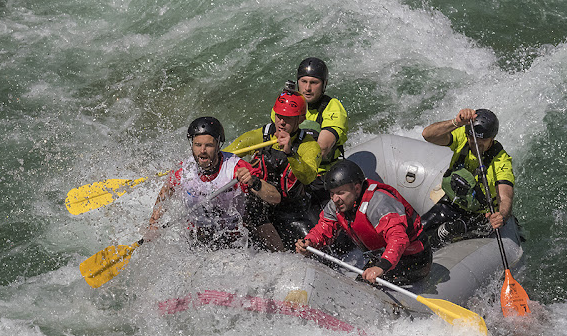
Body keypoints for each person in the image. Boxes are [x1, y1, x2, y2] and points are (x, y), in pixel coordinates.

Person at [146, 116, 280, 250]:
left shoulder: (235, 167)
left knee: (257, 213)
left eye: (208, 145)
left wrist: (253, 182)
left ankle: (280, 255)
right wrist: (153, 223)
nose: (202, 151)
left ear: (218, 145)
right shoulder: (184, 170)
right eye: (198, 145)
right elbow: (166, 192)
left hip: (235, 236)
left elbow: (275, 198)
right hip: (198, 236)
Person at [295, 159, 432, 285]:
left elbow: (398, 239)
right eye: (332, 193)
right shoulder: (336, 205)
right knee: (359, 286)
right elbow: (324, 227)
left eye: (340, 193)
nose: (335, 199)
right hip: (382, 257)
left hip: (413, 260)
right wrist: (310, 242)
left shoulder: (379, 202)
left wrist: (381, 266)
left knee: (369, 288)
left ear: (357, 188)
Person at [223, 90, 323, 250]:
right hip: (259, 208)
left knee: (313, 249)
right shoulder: (260, 136)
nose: (282, 122)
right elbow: (225, 157)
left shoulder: (309, 145)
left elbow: (307, 177)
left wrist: (291, 152)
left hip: (292, 211)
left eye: (288, 118)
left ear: (301, 119)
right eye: (279, 116)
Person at [420, 108, 515, 247]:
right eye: (473, 137)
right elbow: (427, 135)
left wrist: (501, 215)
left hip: (481, 215)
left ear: (492, 139)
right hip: (455, 202)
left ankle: (431, 255)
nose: (476, 143)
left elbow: (505, 196)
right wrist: (456, 122)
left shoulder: (501, 161)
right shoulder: (463, 137)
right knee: (418, 229)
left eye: (483, 139)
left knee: (447, 231)